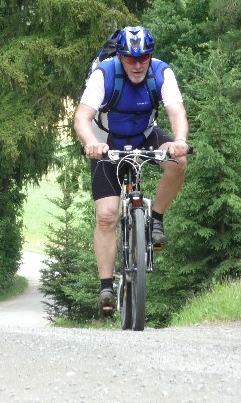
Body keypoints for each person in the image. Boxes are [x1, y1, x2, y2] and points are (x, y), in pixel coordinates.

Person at [73, 26, 189, 316]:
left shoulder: (161, 73)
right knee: (107, 215)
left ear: (151, 56)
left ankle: (156, 219)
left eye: (144, 58)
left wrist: (180, 142)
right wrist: (90, 144)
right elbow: (82, 117)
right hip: (106, 142)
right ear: (121, 56)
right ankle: (106, 287)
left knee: (179, 163)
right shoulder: (104, 74)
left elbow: (176, 112)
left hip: (144, 134)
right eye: (130, 59)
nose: (138, 65)